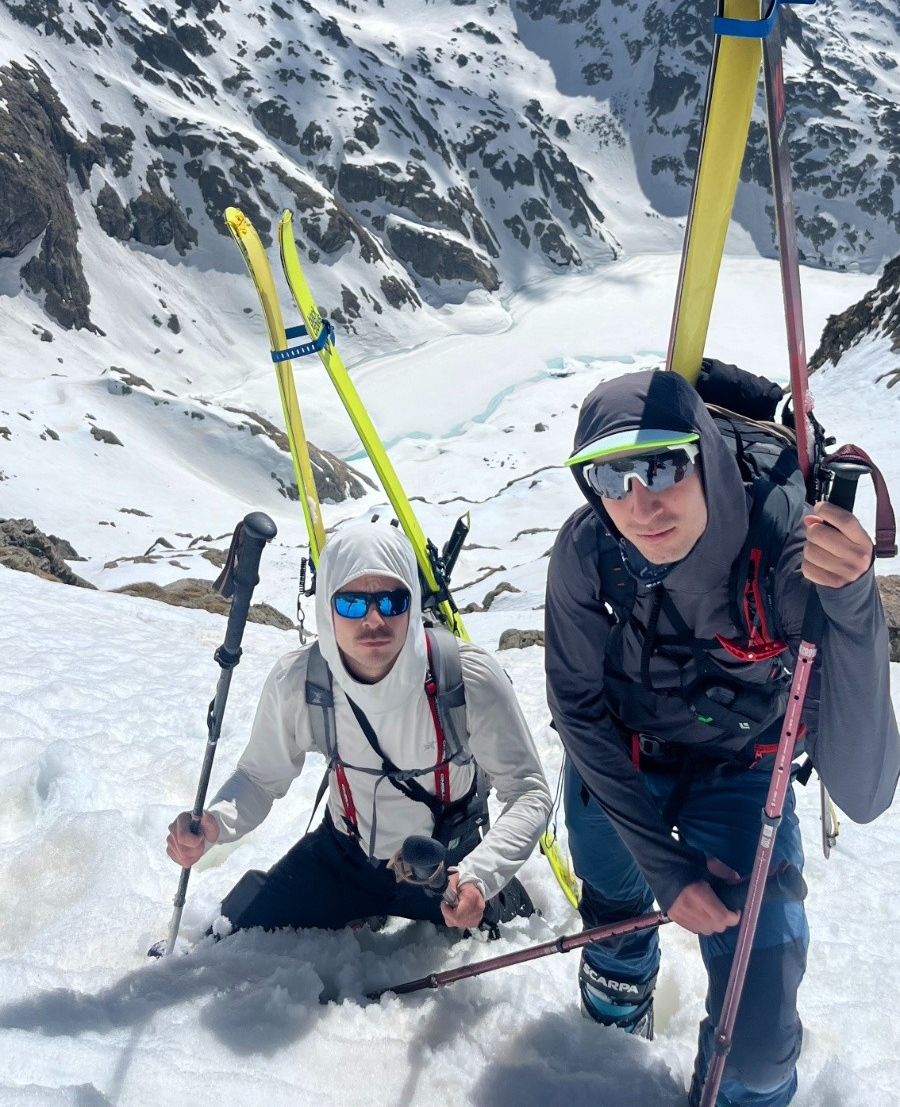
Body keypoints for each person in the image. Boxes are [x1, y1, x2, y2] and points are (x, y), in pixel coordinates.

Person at [544, 367, 899, 1107]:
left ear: (704, 454)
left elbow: (865, 790)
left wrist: (853, 602)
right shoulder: (589, 548)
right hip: (622, 764)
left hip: (745, 771)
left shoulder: (792, 551)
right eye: (609, 477)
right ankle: (616, 1012)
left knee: (760, 1049)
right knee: (618, 923)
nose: (639, 503)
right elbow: (576, 708)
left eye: (662, 465)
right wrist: (667, 872)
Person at [168, 516, 551, 937]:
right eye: (351, 603)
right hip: (344, 858)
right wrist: (214, 823)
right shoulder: (302, 681)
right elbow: (260, 778)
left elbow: (528, 791)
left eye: (392, 601)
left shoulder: (464, 677)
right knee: (235, 931)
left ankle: (501, 900)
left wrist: (481, 877)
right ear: (326, 606)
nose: (373, 620)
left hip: (448, 867)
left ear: (412, 601)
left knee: (511, 933)